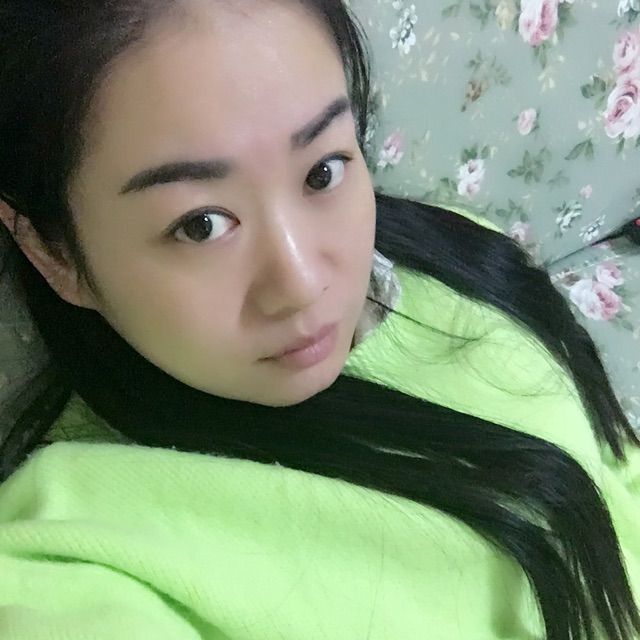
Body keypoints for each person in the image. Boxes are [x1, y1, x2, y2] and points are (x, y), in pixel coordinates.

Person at [0, 1, 638, 638]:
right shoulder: (75, 555)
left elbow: (612, 473)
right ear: (54, 253)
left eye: (321, 172)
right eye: (201, 225)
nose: (303, 285)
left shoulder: (456, 256)